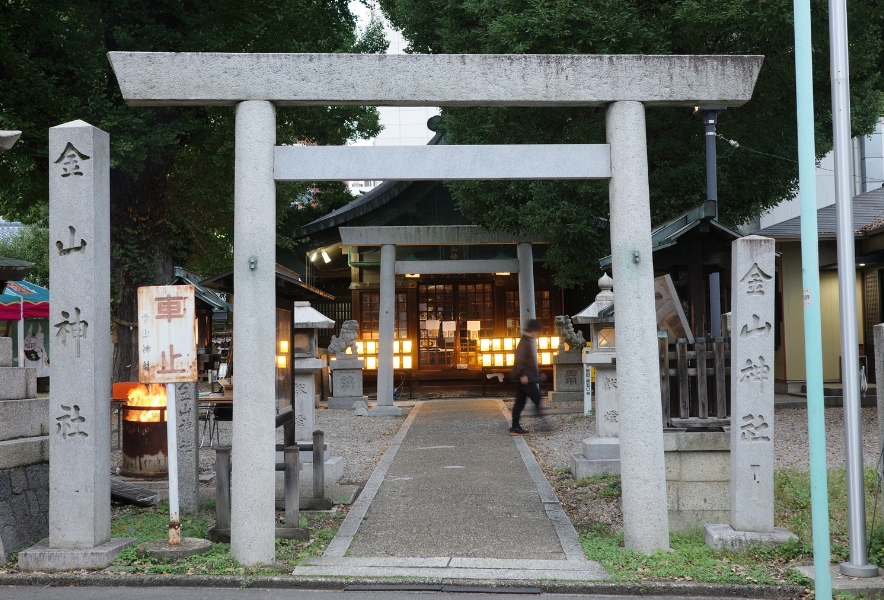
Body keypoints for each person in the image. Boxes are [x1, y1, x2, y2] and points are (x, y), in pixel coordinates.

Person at [509, 318, 545, 435]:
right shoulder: (525, 342)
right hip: (525, 378)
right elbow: (520, 359)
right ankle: (544, 426)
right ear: (533, 330)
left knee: (520, 401)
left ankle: (515, 426)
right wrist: (522, 374)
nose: (537, 334)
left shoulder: (525, 341)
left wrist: (539, 373)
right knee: (536, 398)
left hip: (524, 377)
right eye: (537, 331)